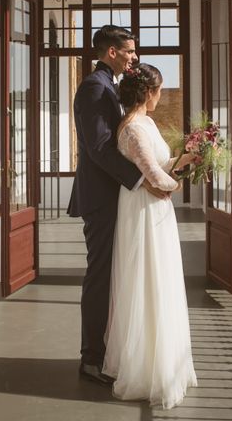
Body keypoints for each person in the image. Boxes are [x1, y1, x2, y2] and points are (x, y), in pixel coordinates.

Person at [67, 25, 167, 384]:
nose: (134, 56)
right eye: (129, 50)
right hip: (101, 199)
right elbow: (99, 148)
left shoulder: (109, 86)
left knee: (116, 276)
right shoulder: (95, 87)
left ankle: (111, 352)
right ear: (111, 52)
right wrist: (142, 180)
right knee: (101, 276)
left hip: (116, 196)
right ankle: (91, 359)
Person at [102, 63, 198, 409]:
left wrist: (185, 159)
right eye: (158, 89)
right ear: (147, 92)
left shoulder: (148, 123)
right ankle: (145, 368)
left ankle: (163, 361)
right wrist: (174, 184)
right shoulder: (132, 129)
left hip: (155, 208)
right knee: (147, 280)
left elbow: (161, 164)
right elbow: (152, 174)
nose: (160, 95)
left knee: (162, 279)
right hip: (142, 210)